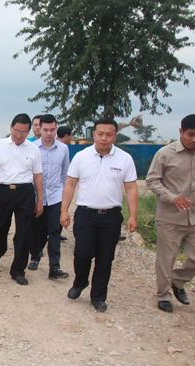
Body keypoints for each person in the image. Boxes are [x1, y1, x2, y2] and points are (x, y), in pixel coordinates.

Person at [60, 117, 138, 312]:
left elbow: (131, 188)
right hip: (86, 214)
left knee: (105, 258)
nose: (104, 138)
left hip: (111, 216)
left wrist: (133, 216)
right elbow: (70, 185)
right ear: (93, 134)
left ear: (115, 136)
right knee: (82, 253)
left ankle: (98, 296)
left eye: (109, 135)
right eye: (100, 134)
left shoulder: (124, 159)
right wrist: (64, 210)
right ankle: (80, 282)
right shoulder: (81, 157)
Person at [145, 114, 195, 313]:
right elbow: (152, 180)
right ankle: (163, 295)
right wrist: (172, 197)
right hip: (170, 217)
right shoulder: (165, 154)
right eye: (190, 134)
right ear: (181, 132)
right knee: (166, 259)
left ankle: (177, 280)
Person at [0, 113, 44, 285]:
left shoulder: (33, 149)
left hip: (25, 192)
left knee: (24, 233)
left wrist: (39, 201)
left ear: (29, 132)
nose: (19, 135)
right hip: (3, 191)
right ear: (11, 127)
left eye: (24, 133)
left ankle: (18, 270)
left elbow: (38, 176)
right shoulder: (0, 145)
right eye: (16, 131)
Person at [27, 114, 70, 279]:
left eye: (52, 130)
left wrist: (64, 195)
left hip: (55, 196)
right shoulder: (32, 147)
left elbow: (65, 173)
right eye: (45, 129)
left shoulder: (63, 149)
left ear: (56, 129)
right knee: (35, 229)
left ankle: (55, 267)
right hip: (35, 196)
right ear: (40, 129)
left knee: (54, 231)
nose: (49, 133)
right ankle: (35, 257)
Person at [55, 125, 73, 241]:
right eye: (71, 136)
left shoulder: (64, 148)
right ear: (66, 136)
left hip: (60, 187)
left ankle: (57, 232)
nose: (71, 138)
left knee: (60, 210)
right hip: (55, 186)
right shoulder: (59, 147)